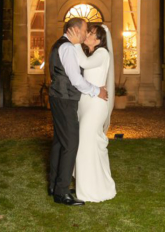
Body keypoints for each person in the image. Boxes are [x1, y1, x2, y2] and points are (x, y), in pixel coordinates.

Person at [47, 16, 108, 206]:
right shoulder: (67, 48)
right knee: (71, 144)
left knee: (59, 141)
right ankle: (62, 191)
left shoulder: (63, 45)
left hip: (60, 97)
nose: (85, 34)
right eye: (85, 30)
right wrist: (97, 91)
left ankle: (55, 185)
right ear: (76, 30)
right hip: (65, 99)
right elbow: (76, 80)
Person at [73, 23, 117, 202]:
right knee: (86, 145)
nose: (86, 35)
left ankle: (92, 189)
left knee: (85, 144)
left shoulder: (102, 53)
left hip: (95, 106)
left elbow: (83, 62)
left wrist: (75, 42)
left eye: (90, 33)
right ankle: (93, 183)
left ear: (98, 40)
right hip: (85, 103)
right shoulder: (93, 53)